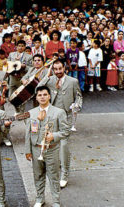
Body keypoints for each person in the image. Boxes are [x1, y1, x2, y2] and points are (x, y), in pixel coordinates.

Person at [38, 60, 82, 188]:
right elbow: (38, 89)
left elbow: (79, 96)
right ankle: (54, 171)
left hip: (66, 117)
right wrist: (47, 75)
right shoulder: (49, 80)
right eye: (55, 69)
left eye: (60, 69)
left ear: (65, 68)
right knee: (51, 145)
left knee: (63, 145)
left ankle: (65, 174)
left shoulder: (73, 81)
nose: (58, 72)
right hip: (51, 117)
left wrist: (77, 105)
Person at [25, 85, 70, 207]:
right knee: (38, 175)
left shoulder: (59, 112)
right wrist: (27, 150)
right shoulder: (32, 113)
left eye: (45, 94)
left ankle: (56, 201)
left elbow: (66, 131)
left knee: (53, 176)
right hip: (36, 149)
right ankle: (40, 198)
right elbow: (28, 132)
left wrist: (54, 135)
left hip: (51, 149)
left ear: (49, 96)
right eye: (39, 95)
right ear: (36, 97)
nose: (42, 97)